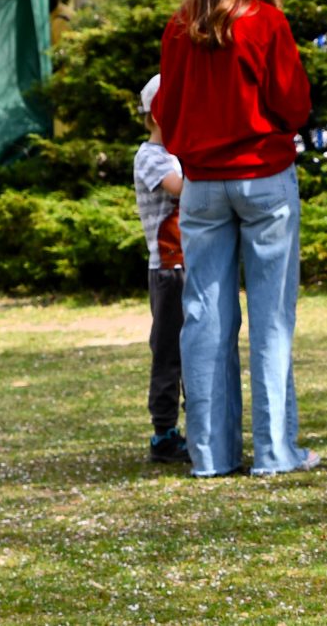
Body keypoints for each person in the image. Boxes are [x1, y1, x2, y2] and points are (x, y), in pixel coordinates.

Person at [152, 0, 317, 478]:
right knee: (271, 318)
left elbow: (165, 115)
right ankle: (274, 452)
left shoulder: (181, 26)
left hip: (201, 184)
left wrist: (198, 149)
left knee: (204, 318)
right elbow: (295, 105)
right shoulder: (267, 23)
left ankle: (210, 455)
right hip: (264, 178)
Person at [134, 73, 188, 464]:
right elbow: (182, 188)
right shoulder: (151, 157)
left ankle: (198, 421)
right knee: (168, 350)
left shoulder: (176, 153)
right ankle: (164, 432)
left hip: (188, 265)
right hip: (168, 269)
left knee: (195, 347)